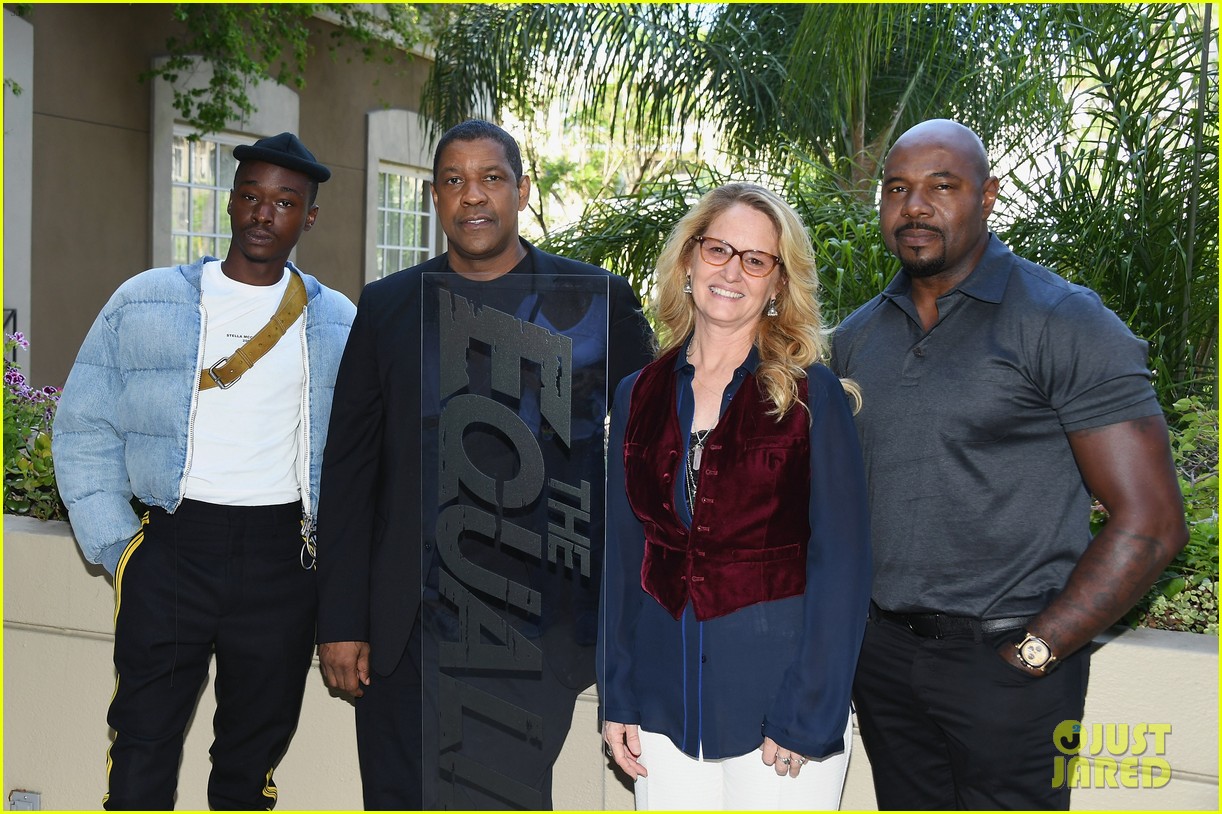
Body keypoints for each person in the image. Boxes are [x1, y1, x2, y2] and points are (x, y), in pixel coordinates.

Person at [831, 119, 1189, 810]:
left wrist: (1037, 653)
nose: (915, 207)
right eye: (897, 189)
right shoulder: (857, 338)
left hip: (1007, 663)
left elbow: (1151, 523)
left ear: (989, 196)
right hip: (882, 663)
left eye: (943, 185)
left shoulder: (1064, 321)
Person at [315, 119, 654, 809]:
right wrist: (342, 619)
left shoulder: (594, 303)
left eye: (491, 178)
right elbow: (349, 470)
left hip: (535, 630)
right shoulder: (387, 307)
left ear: (522, 190)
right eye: (453, 181)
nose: (473, 197)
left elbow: (652, 448)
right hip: (404, 634)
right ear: (434, 198)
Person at [52, 132, 356, 809]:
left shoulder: (336, 322)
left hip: (284, 562)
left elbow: (364, 455)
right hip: (171, 551)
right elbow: (83, 424)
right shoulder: (145, 300)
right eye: (250, 195)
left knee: (250, 764)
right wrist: (119, 546)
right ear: (230, 201)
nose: (261, 214)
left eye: (283, 202)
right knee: (140, 749)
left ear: (307, 217)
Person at [599, 182, 872, 810]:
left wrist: (809, 709)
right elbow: (623, 560)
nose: (732, 271)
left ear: (778, 283)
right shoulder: (636, 394)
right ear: (689, 259)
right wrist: (619, 695)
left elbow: (843, 566)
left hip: (780, 719)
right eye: (719, 249)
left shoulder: (812, 396)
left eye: (756, 259)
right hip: (661, 712)